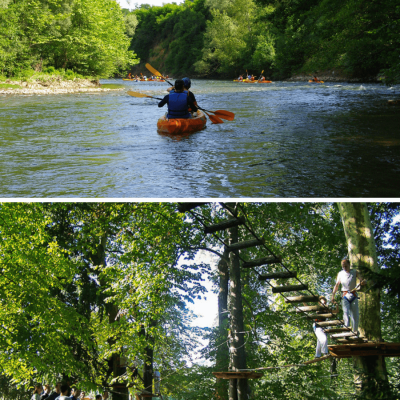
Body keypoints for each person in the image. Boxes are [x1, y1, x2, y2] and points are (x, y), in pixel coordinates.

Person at [331, 258, 366, 333]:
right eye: (343, 266)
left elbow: (361, 279)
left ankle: (355, 331)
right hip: (345, 295)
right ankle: (346, 332)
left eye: (346, 266)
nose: (344, 268)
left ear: (349, 265)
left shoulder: (354, 272)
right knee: (346, 313)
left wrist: (363, 282)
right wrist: (333, 296)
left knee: (355, 315)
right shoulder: (340, 273)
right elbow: (337, 285)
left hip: (353, 295)